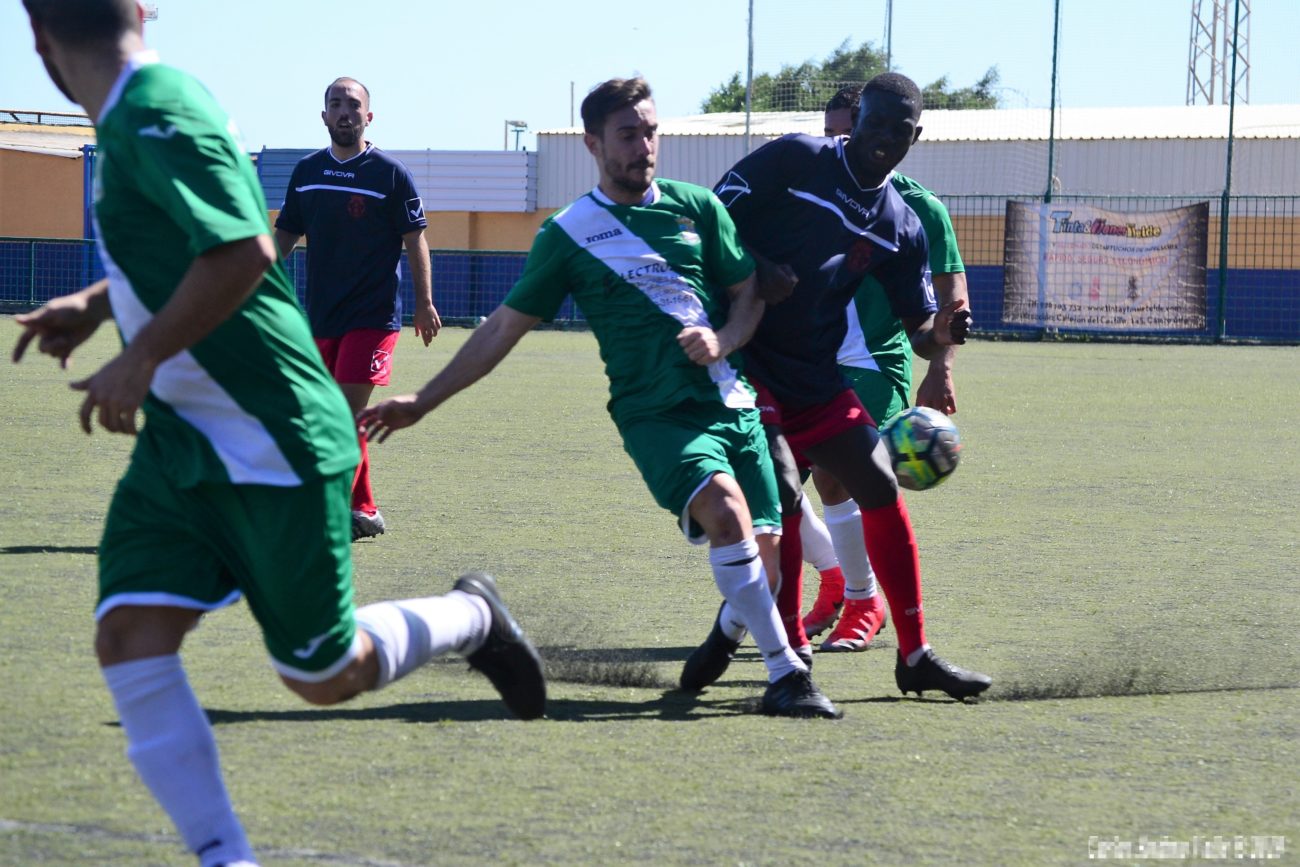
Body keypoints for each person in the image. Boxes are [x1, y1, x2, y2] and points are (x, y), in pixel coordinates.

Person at [14, 3, 544, 865]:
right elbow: (194, 248)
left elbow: (243, 253)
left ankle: (470, 615)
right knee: (129, 638)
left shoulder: (157, 110)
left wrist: (139, 354)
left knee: (323, 674)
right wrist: (98, 302)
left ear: (39, 45)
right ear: (142, 10)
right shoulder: (131, 115)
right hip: (183, 440)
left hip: (270, 430)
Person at [358, 77, 840, 720]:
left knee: (768, 566)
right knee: (727, 514)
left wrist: (723, 340)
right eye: (627, 135)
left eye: (651, 132)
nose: (644, 146)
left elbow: (749, 292)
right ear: (593, 144)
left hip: (735, 404)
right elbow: (501, 328)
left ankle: (726, 635)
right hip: (656, 416)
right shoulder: (568, 232)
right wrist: (423, 399)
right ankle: (787, 677)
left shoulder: (699, 207)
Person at [694, 72, 991, 700]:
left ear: (915, 136)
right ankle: (791, 663)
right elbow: (710, 220)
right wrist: (757, 269)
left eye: (899, 130)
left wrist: (941, 333)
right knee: (782, 487)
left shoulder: (902, 223)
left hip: (815, 375)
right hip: (746, 362)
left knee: (878, 481)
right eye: (874, 122)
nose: (884, 137)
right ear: (856, 120)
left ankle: (915, 655)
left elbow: (919, 331)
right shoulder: (796, 159)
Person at [800, 86, 973, 651]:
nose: (834, 145)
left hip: (872, 359)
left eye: (844, 133)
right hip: (803, 355)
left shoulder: (919, 208)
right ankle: (836, 578)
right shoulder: (808, 188)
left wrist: (941, 368)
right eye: (828, 134)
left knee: (836, 473)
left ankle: (862, 601)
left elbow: (952, 299)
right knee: (766, 478)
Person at [274, 76, 441, 542]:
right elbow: (285, 233)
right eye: (336, 104)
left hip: (373, 316)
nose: (344, 112)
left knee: (341, 416)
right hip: (321, 316)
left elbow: (415, 240)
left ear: (369, 116)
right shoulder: (307, 171)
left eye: (353, 104)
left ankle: (324, 514)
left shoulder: (390, 174)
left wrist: (425, 303)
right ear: (323, 115)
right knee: (333, 416)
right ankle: (363, 510)